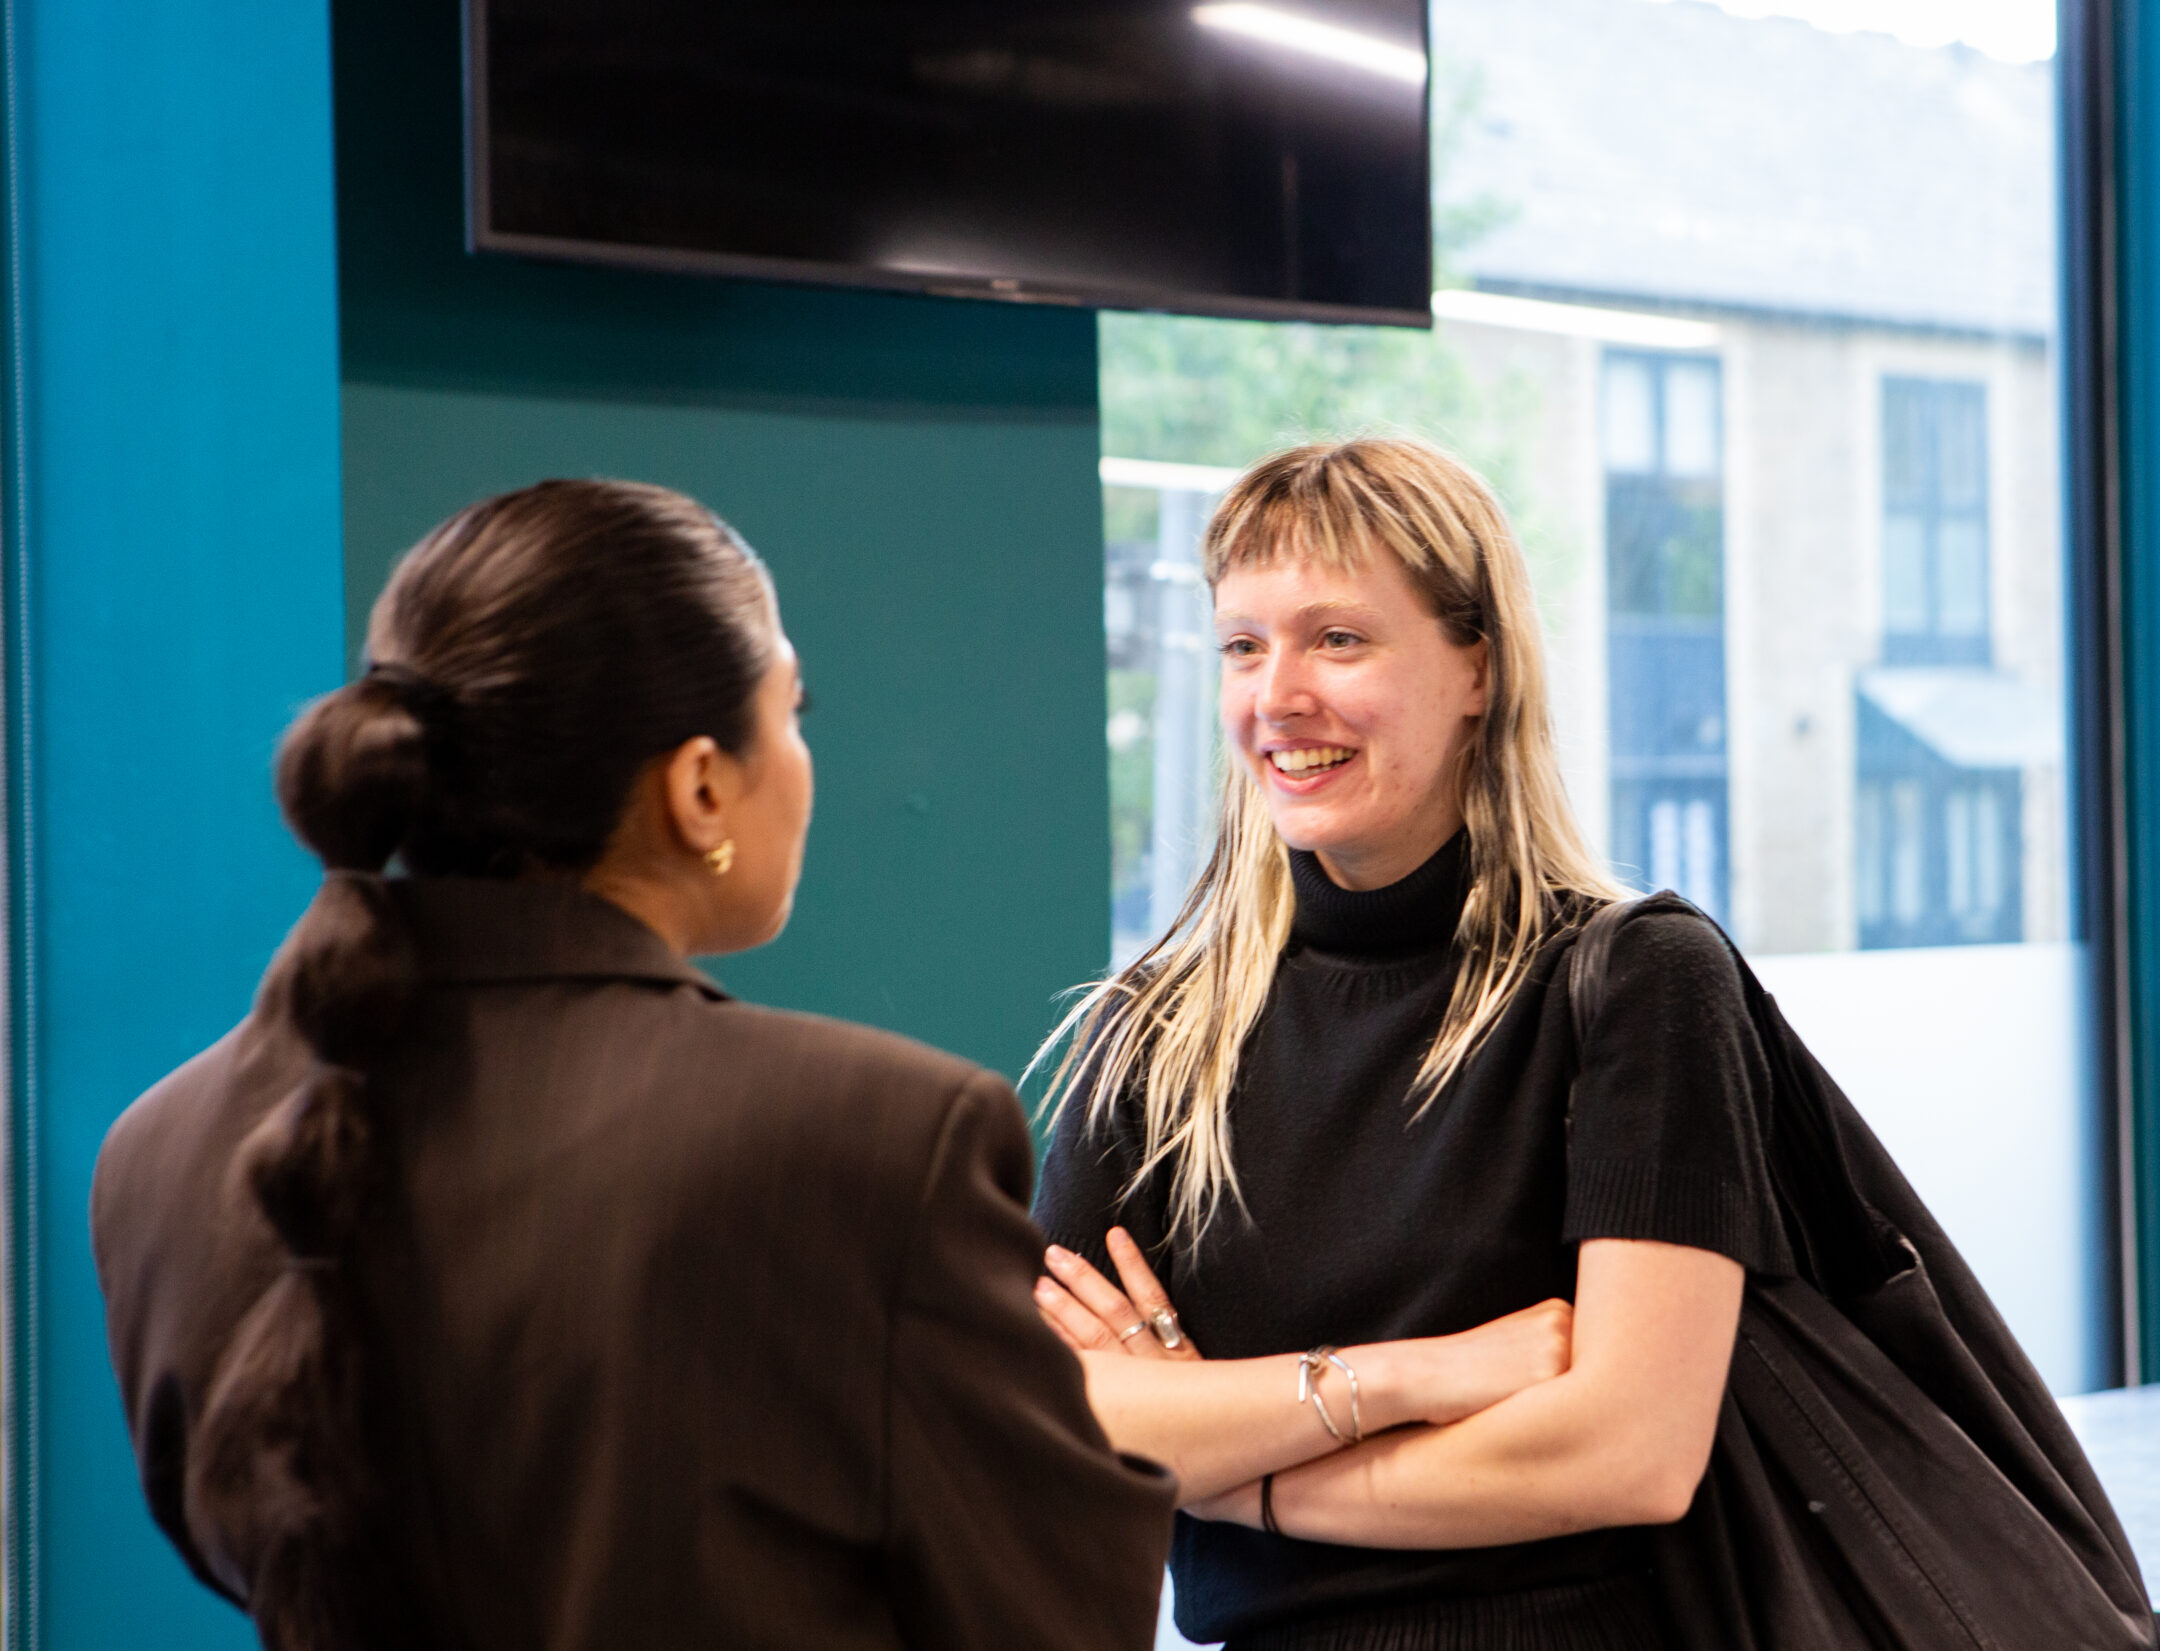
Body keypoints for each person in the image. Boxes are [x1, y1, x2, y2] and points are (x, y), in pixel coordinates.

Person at [91, 479, 1174, 1651]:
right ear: (701, 785)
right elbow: (1056, 1615)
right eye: (793, 709)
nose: (805, 762)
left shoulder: (154, 1150)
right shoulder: (874, 1142)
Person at [1031, 438, 1766, 1650]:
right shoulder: (1155, 1031)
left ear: (1476, 664)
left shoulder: (1637, 983)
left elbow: (1629, 1456)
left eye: (1337, 638)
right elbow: (1052, 1429)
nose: (1276, 697)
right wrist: (1415, 1379)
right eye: (1242, 646)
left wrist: (1227, 1474)